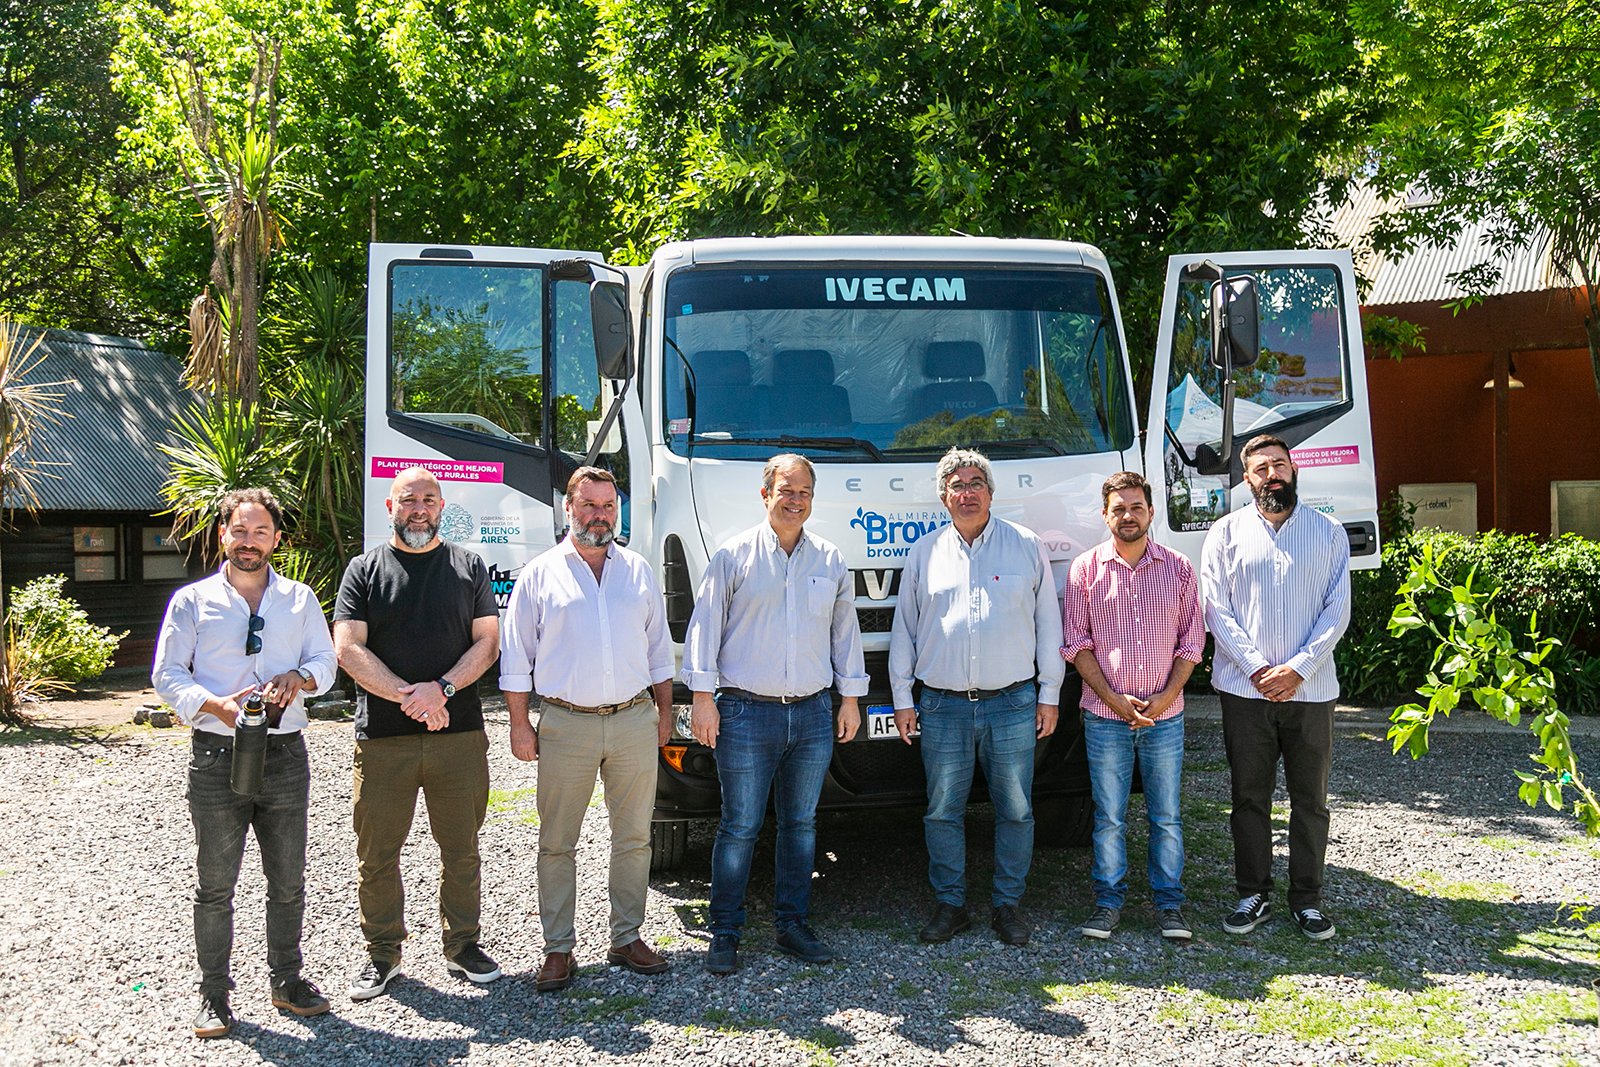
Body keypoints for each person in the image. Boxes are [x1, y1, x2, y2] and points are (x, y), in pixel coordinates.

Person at [153, 488, 337, 1038]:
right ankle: (213, 995)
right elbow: (167, 674)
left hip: (284, 752)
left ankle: (287, 981)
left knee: (288, 880)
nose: (248, 541)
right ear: (222, 535)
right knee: (215, 884)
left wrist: (299, 678)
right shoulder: (191, 601)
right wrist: (215, 705)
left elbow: (325, 660)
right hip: (216, 754)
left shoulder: (300, 599)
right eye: (239, 531)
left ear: (276, 539)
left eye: (260, 532)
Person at [683, 454, 867, 975]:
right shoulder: (733, 556)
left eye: (804, 492)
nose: (796, 500)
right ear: (765, 494)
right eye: (786, 490)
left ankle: (792, 926)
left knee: (801, 824)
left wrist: (850, 699)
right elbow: (704, 628)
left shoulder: (829, 559)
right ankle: (725, 932)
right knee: (739, 825)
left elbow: (844, 634)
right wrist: (702, 698)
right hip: (745, 713)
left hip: (811, 714)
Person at [500, 467, 675, 992]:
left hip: (633, 719)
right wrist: (519, 725)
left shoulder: (638, 570)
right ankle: (558, 948)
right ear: (568, 508)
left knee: (635, 837)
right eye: (590, 505)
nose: (600, 516)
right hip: (566, 723)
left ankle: (627, 937)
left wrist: (664, 713)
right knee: (557, 842)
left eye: (608, 506)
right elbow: (516, 658)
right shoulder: (540, 574)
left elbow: (659, 651)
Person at [333, 467, 502, 999]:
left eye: (430, 499)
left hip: (459, 735)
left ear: (442, 506)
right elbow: (348, 648)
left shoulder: (469, 566)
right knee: (377, 853)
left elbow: (488, 643)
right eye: (409, 499)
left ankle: (463, 945)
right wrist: (411, 697)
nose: (419, 508)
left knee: (461, 848)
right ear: (390, 507)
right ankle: (382, 953)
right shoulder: (363, 570)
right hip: (384, 739)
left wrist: (442, 690)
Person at [889, 447, 1064, 947]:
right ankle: (951, 905)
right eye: (957, 485)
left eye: (976, 484)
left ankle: (1007, 905)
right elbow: (905, 630)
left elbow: (1048, 624)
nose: (967, 493)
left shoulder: (1025, 545)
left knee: (1016, 809)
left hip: (1012, 703)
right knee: (943, 809)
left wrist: (1050, 693)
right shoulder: (924, 552)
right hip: (942, 705)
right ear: (943, 496)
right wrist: (902, 698)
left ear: (991, 492)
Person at [1200, 434, 1351, 941]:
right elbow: (1215, 609)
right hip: (1245, 692)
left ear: (1294, 469)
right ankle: (1253, 893)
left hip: (1311, 691)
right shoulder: (1225, 533)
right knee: (1248, 797)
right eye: (1261, 468)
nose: (1272, 474)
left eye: (1279, 465)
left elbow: (1337, 611)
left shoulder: (1329, 532)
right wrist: (1257, 669)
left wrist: (1298, 669)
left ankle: (1307, 900)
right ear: (1246, 479)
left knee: (1311, 801)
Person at [1061, 472, 1204, 942]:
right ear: (1105, 515)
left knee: (1167, 816)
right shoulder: (1084, 570)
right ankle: (1107, 904)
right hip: (1105, 718)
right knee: (1109, 818)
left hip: (1166, 717)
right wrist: (1114, 700)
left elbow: (1192, 642)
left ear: (1151, 512)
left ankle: (1170, 906)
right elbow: (1076, 643)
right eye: (1118, 508)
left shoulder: (1179, 568)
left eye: (1136, 507)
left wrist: (1166, 697)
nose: (1128, 515)